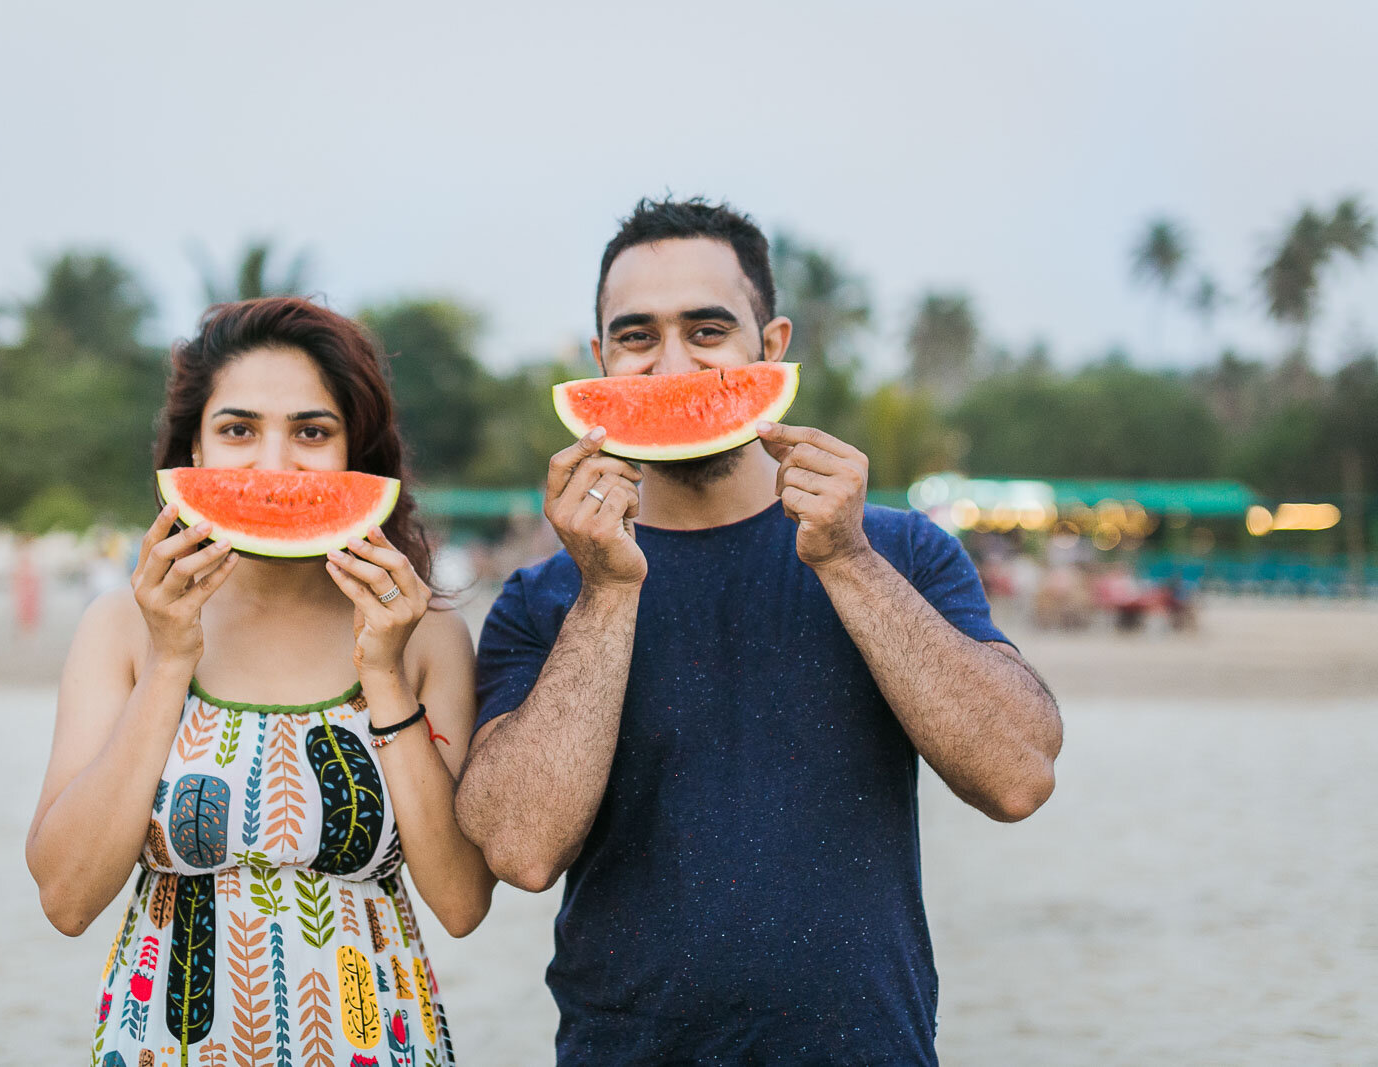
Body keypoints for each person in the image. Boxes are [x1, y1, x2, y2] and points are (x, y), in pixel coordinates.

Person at [455, 198, 1062, 1065]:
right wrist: (606, 593)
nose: (671, 364)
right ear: (599, 362)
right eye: (635, 337)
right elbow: (519, 848)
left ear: (771, 347)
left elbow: (1018, 777)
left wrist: (847, 560)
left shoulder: (900, 551)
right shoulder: (545, 597)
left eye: (708, 329)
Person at [27, 297, 490, 1066]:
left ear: (357, 458)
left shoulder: (423, 635)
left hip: (370, 1038)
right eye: (239, 429)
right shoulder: (121, 629)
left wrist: (382, 672)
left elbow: (463, 901)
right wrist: (171, 660)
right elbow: (67, 898)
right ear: (192, 456)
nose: (274, 464)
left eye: (311, 431)